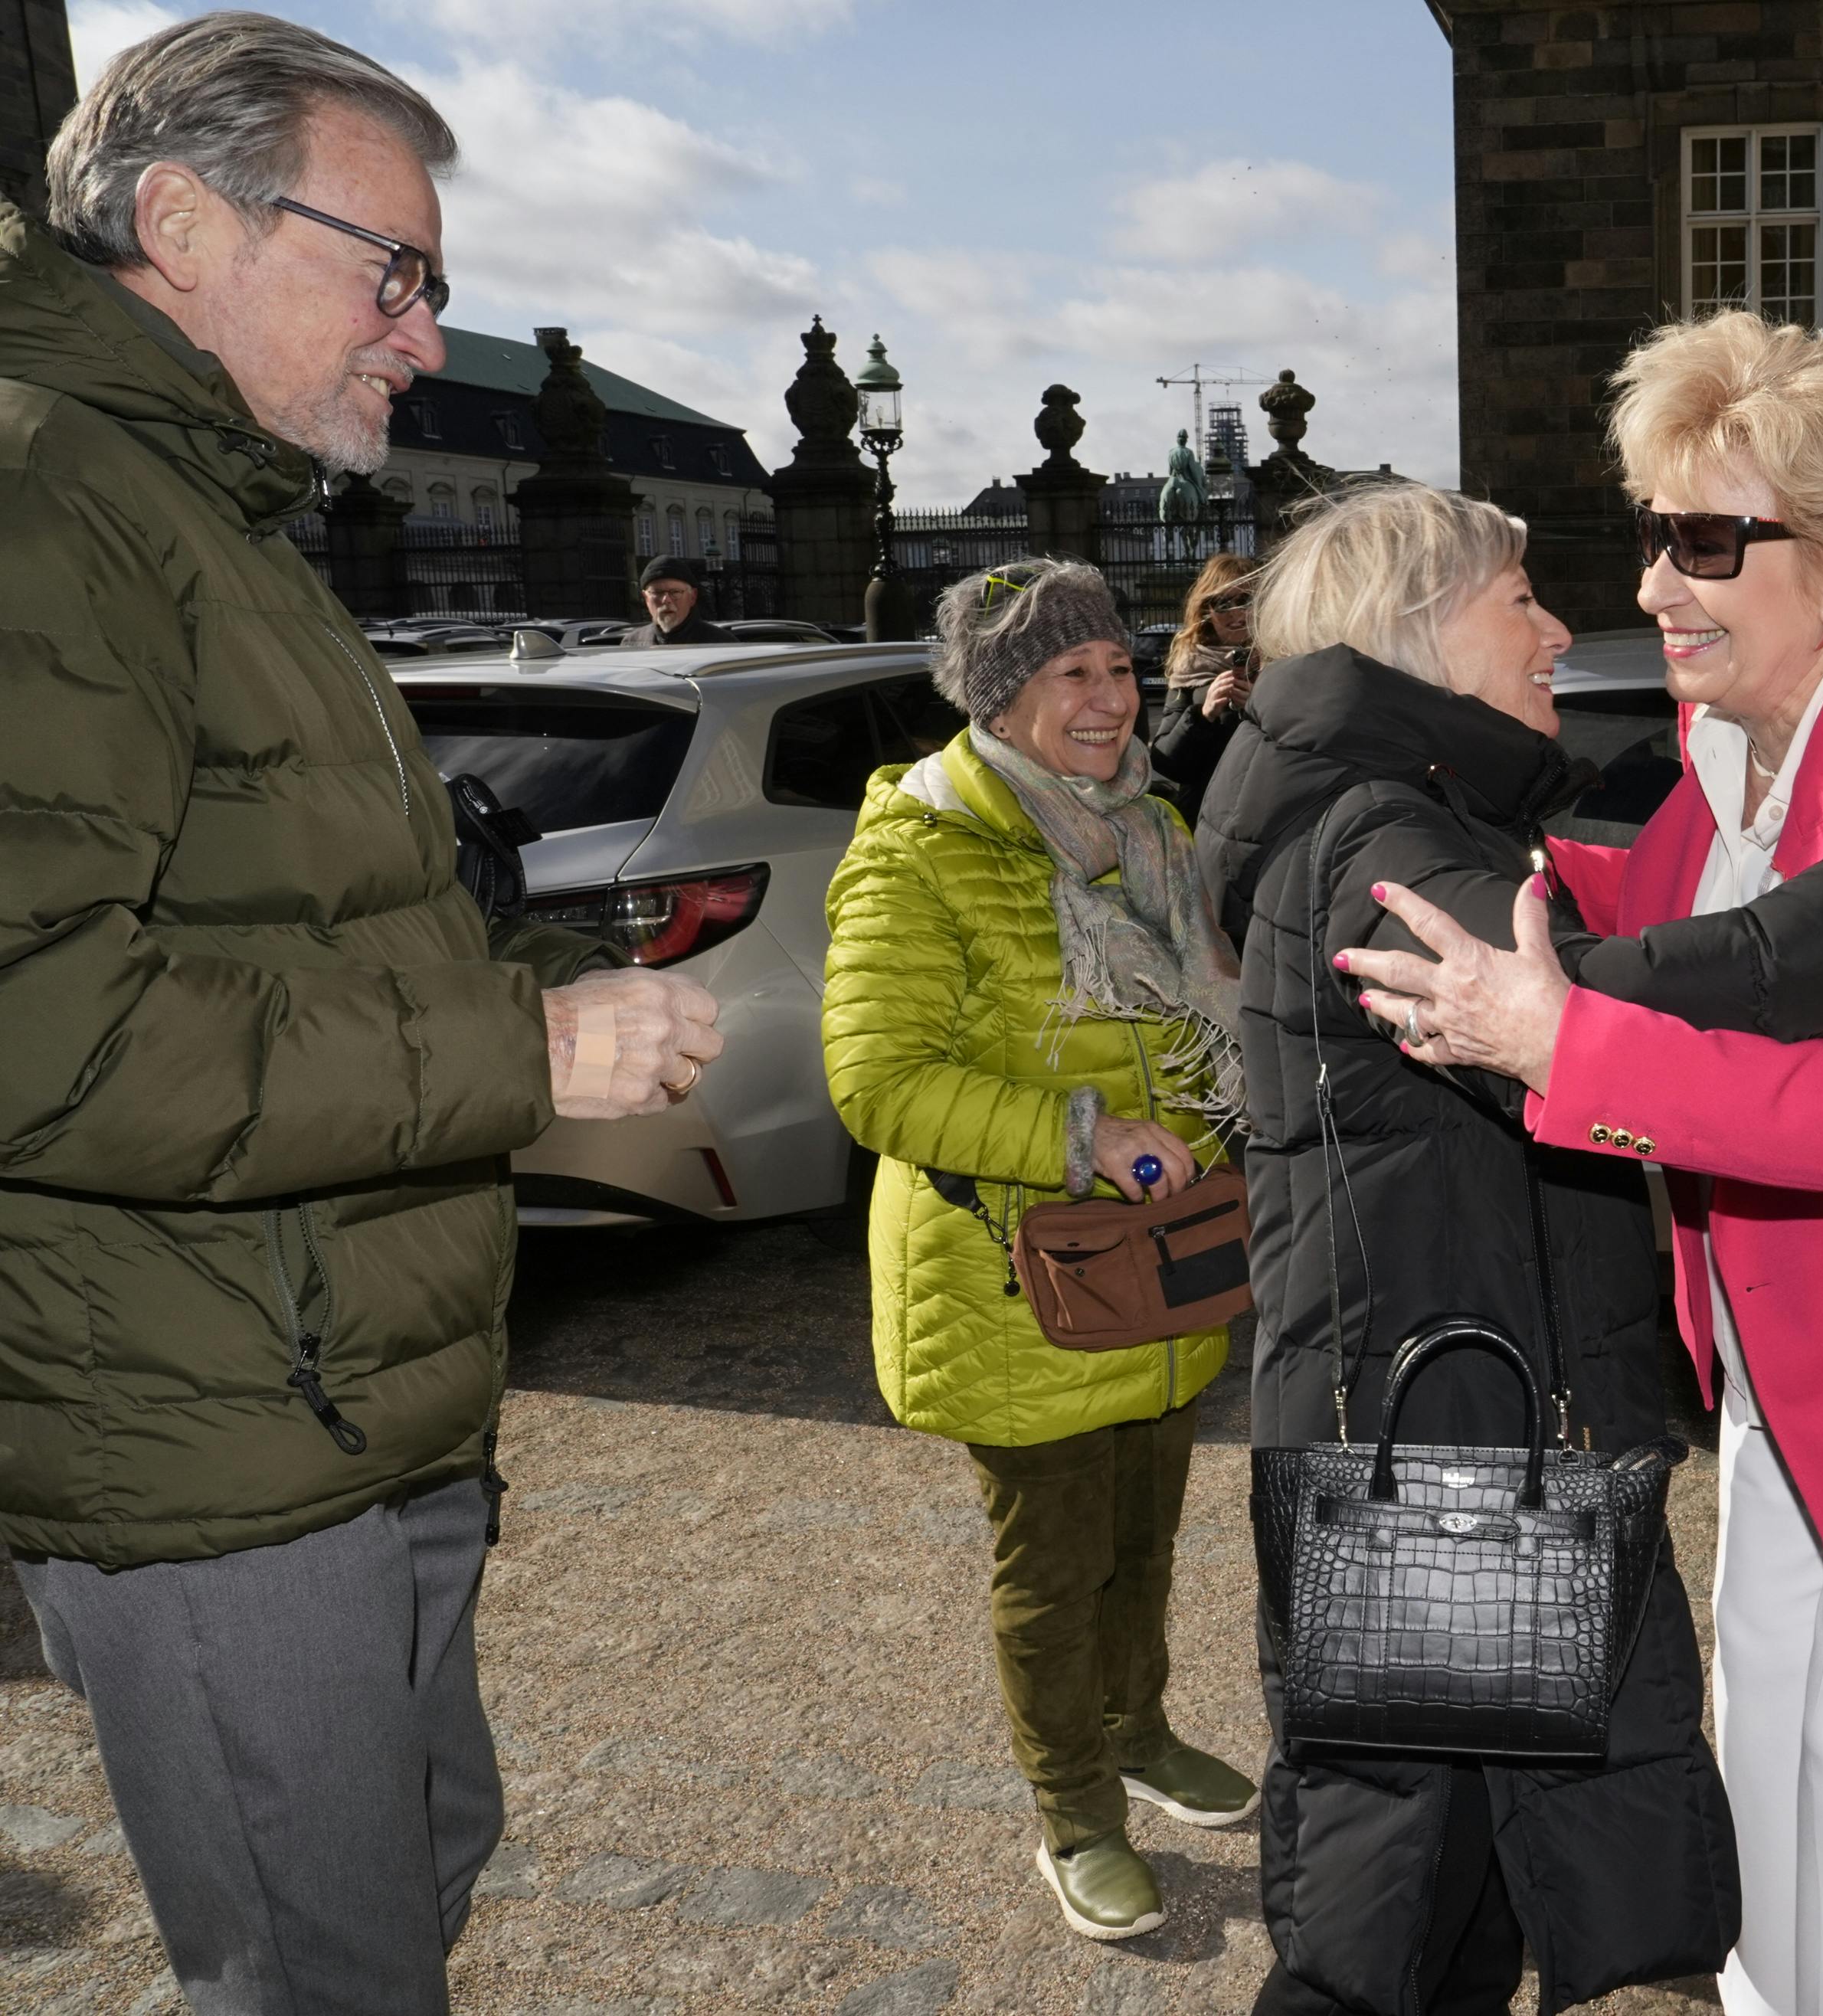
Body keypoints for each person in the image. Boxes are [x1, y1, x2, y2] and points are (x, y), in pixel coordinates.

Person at [0, 17, 723, 2013]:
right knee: (329, 1971)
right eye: (390, 268)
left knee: (420, 1867)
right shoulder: (51, 500)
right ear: (177, 220)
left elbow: (308, 925)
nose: (421, 332)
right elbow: (37, 1034)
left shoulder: (215, 516)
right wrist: (528, 1060)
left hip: (351, 1397)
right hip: (216, 1440)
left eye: (437, 285)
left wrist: (545, 992)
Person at [1328, 314, 1823, 2016]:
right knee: (1759, 1743)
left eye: (1708, 541)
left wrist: (1557, 1045)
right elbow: (1662, 929)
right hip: (1790, 1364)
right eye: (1655, 534)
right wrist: (1456, 825)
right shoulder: (1738, 758)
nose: (1659, 584)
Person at [1194, 476, 1823, 2016]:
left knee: (1467, 1879)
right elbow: (1624, 997)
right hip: (1431, 1445)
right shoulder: (1383, 829)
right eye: (1522, 600)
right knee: (1394, 1907)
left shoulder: (1389, 808)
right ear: (1421, 633)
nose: (1563, 630)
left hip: (1436, 1415)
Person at [820, 559, 1258, 1946]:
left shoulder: (1153, 823)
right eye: (1074, 674)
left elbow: (1208, 1009)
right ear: (1000, 695)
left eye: (1121, 669)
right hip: (1018, 1278)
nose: (1112, 697)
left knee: (1147, 1533)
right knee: (1054, 1565)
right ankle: (1073, 1809)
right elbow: (876, 1081)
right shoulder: (921, 843)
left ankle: (1138, 1729)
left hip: (1165, 1261)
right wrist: (1082, 1131)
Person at [1147, 549, 1261, 822]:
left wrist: (1261, 708)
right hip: (1205, 816)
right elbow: (1166, 762)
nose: (1236, 613)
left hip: (1269, 814)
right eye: (1222, 604)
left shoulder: (1285, 659)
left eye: (1245, 599)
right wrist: (1203, 714)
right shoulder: (1191, 666)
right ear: (1207, 612)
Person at [624, 552, 725, 645]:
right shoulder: (632, 643)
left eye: (675, 592)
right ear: (646, 598)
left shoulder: (721, 643)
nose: (666, 600)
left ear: (692, 597)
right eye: (657, 593)